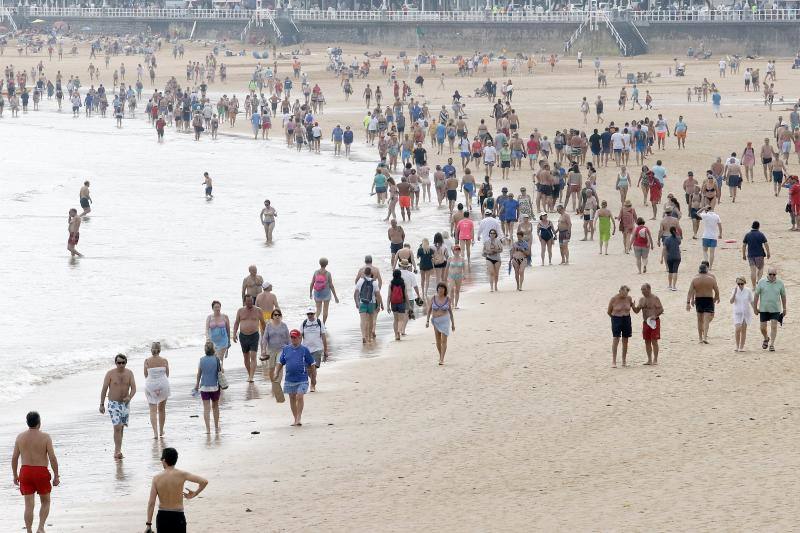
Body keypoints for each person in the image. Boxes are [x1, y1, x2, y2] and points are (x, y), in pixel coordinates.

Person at [12, 411, 60, 533]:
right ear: (39, 422)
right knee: (45, 501)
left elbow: (14, 458)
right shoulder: (45, 437)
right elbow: (52, 457)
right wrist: (56, 475)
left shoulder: (20, 437)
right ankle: (40, 527)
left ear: (27, 423)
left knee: (29, 505)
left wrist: (15, 475)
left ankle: (29, 531)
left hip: (25, 472)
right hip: (41, 472)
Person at [145, 447, 208, 533]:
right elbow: (204, 481)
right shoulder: (182, 474)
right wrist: (195, 493)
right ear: (175, 460)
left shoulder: (156, 478)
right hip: (178, 516)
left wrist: (148, 524)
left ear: (164, 460)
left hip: (163, 516)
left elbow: (151, 503)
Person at [271, 329, 316, 426]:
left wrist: (313, 378)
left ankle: (299, 417)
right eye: (291, 337)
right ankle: (295, 419)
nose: (293, 339)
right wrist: (276, 372)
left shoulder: (305, 350)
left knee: (299, 396)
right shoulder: (286, 349)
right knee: (292, 398)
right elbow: (280, 362)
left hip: (302, 379)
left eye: (295, 337)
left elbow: (312, 364)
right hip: (289, 379)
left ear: (300, 338)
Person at [99, 354, 136, 459]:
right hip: (113, 404)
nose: (121, 365)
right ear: (115, 363)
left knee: (121, 428)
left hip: (125, 404)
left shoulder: (129, 373)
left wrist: (129, 396)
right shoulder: (110, 374)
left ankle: (119, 449)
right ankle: (117, 451)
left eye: (123, 363)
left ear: (126, 363)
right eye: (118, 363)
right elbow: (104, 389)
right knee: (117, 427)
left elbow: (133, 388)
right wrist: (101, 404)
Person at [232, 295, 266, 383]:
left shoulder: (258, 310)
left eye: (251, 301)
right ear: (244, 302)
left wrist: (265, 334)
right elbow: (236, 323)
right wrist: (234, 334)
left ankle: (251, 377)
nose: (249, 303)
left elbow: (263, 323)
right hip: (243, 336)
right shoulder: (240, 311)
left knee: (253, 356)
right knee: (246, 357)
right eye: (248, 301)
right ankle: (249, 374)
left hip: (254, 335)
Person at [754, 268, 787, 352]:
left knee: (774, 326)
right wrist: (755, 308)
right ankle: (766, 338)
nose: (772, 276)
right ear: (767, 274)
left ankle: (772, 344)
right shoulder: (761, 282)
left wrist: (784, 308)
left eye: (774, 274)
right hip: (764, 309)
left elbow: (783, 296)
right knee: (762, 328)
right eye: (770, 274)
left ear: (776, 275)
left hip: (775, 309)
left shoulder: (780, 283)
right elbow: (756, 295)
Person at [687, 263, 720, 344]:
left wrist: (688, 302)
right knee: (706, 319)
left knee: (699, 320)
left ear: (699, 270)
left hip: (699, 299)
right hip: (708, 299)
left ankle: (700, 338)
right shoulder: (711, 279)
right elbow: (716, 290)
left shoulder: (695, 279)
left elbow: (690, 292)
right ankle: (705, 337)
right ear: (706, 270)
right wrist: (716, 298)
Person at [194, 341, 223, 434]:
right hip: (215, 386)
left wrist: (197, 384)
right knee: (215, 407)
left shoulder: (201, 360)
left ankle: (208, 429)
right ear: (213, 349)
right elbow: (221, 371)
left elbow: (199, 374)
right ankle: (216, 427)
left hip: (204, 387)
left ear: (205, 350)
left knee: (206, 408)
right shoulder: (217, 359)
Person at [143, 342, 170, 440]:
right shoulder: (164, 360)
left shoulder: (146, 361)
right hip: (163, 384)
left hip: (151, 386)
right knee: (162, 409)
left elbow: (146, 375)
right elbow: (167, 374)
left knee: (152, 410)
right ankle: (161, 430)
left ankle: (155, 432)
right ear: (160, 350)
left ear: (151, 350)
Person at [632, 283, 664, 365]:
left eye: (644, 289)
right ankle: (649, 359)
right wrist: (633, 306)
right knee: (647, 341)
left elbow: (661, 309)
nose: (642, 291)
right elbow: (636, 311)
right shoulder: (642, 299)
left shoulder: (655, 298)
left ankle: (655, 359)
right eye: (642, 290)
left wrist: (655, 315)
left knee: (654, 340)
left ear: (649, 289)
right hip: (646, 322)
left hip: (654, 321)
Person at [426, 282, 455, 365]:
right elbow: (429, 311)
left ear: (445, 290)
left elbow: (450, 312)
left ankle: (442, 359)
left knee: (443, 340)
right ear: (437, 289)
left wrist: (453, 324)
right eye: (439, 288)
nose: (440, 290)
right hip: (436, 321)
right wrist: (427, 321)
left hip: (445, 320)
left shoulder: (448, 299)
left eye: (442, 288)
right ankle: (440, 356)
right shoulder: (433, 298)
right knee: (438, 341)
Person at [300, 307, 327, 392]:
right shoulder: (304, 323)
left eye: (311, 314)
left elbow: (323, 336)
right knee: (308, 370)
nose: (310, 315)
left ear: (314, 314)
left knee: (314, 367)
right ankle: (313, 380)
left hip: (317, 349)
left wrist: (325, 350)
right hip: (306, 349)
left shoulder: (319, 322)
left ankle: (312, 385)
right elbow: (300, 336)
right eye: (308, 314)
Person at [355, 267, 383, 343]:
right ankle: (369, 336)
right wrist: (379, 305)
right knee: (370, 321)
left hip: (362, 302)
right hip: (371, 303)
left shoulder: (360, 281)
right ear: (371, 274)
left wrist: (357, 303)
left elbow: (356, 293)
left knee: (363, 320)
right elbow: (378, 295)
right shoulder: (374, 282)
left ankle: (363, 336)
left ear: (364, 273)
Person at [607, 286, 633, 368]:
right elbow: (608, 311)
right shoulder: (614, 299)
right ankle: (614, 361)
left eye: (626, 293)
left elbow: (633, 308)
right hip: (616, 318)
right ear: (620, 291)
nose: (625, 295)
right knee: (616, 338)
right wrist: (614, 319)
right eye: (624, 293)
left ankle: (624, 361)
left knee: (625, 339)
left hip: (626, 318)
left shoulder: (629, 298)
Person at [309, 257, 340, 323]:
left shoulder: (316, 272)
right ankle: (323, 324)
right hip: (326, 293)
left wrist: (310, 293)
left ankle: (314, 323)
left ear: (319, 263)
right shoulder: (328, 274)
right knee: (325, 310)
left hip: (317, 293)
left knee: (318, 310)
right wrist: (335, 297)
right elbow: (331, 285)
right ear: (327, 264)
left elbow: (312, 283)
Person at [742, 221, 770, 288]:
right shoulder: (761, 234)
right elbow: (766, 244)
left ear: (752, 226)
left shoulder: (747, 235)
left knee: (753, 271)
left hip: (751, 255)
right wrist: (768, 252)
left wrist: (743, 254)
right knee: (760, 269)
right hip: (760, 254)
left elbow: (744, 245)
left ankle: (754, 286)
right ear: (758, 226)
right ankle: (759, 282)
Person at [730, 276, 753, 352]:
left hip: (746, 312)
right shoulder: (734, 290)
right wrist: (735, 293)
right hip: (737, 313)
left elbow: (751, 301)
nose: (740, 285)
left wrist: (755, 309)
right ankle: (737, 346)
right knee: (737, 329)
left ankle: (741, 347)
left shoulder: (748, 290)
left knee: (743, 330)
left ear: (744, 283)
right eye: (738, 284)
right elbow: (731, 301)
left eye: (741, 284)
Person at [205, 300, 231, 366]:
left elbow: (228, 330)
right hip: (212, 342)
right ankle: (219, 372)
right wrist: (207, 338)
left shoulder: (225, 317)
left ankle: (220, 373)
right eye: (216, 307)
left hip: (223, 341)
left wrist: (229, 341)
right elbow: (206, 329)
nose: (217, 309)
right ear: (212, 308)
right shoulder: (209, 317)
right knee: (214, 359)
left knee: (219, 359)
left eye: (219, 307)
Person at [387, 269, 409, 341]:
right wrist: (408, 304)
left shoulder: (391, 284)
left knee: (395, 320)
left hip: (393, 303)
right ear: (400, 275)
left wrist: (388, 306)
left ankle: (396, 335)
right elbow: (406, 295)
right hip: (401, 303)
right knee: (401, 320)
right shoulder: (403, 283)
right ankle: (399, 330)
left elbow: (389, 296)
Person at [663, 226, 682, 291]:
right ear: (675, 231)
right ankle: (674, 286)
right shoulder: (678, 238)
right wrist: (677, 233)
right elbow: (679, 242)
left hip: (670, 256)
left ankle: (670, 285)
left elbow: (665, 249)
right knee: (675, 271)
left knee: (670, 271)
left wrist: (662, 257)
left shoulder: (667, 239)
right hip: (677, 256)